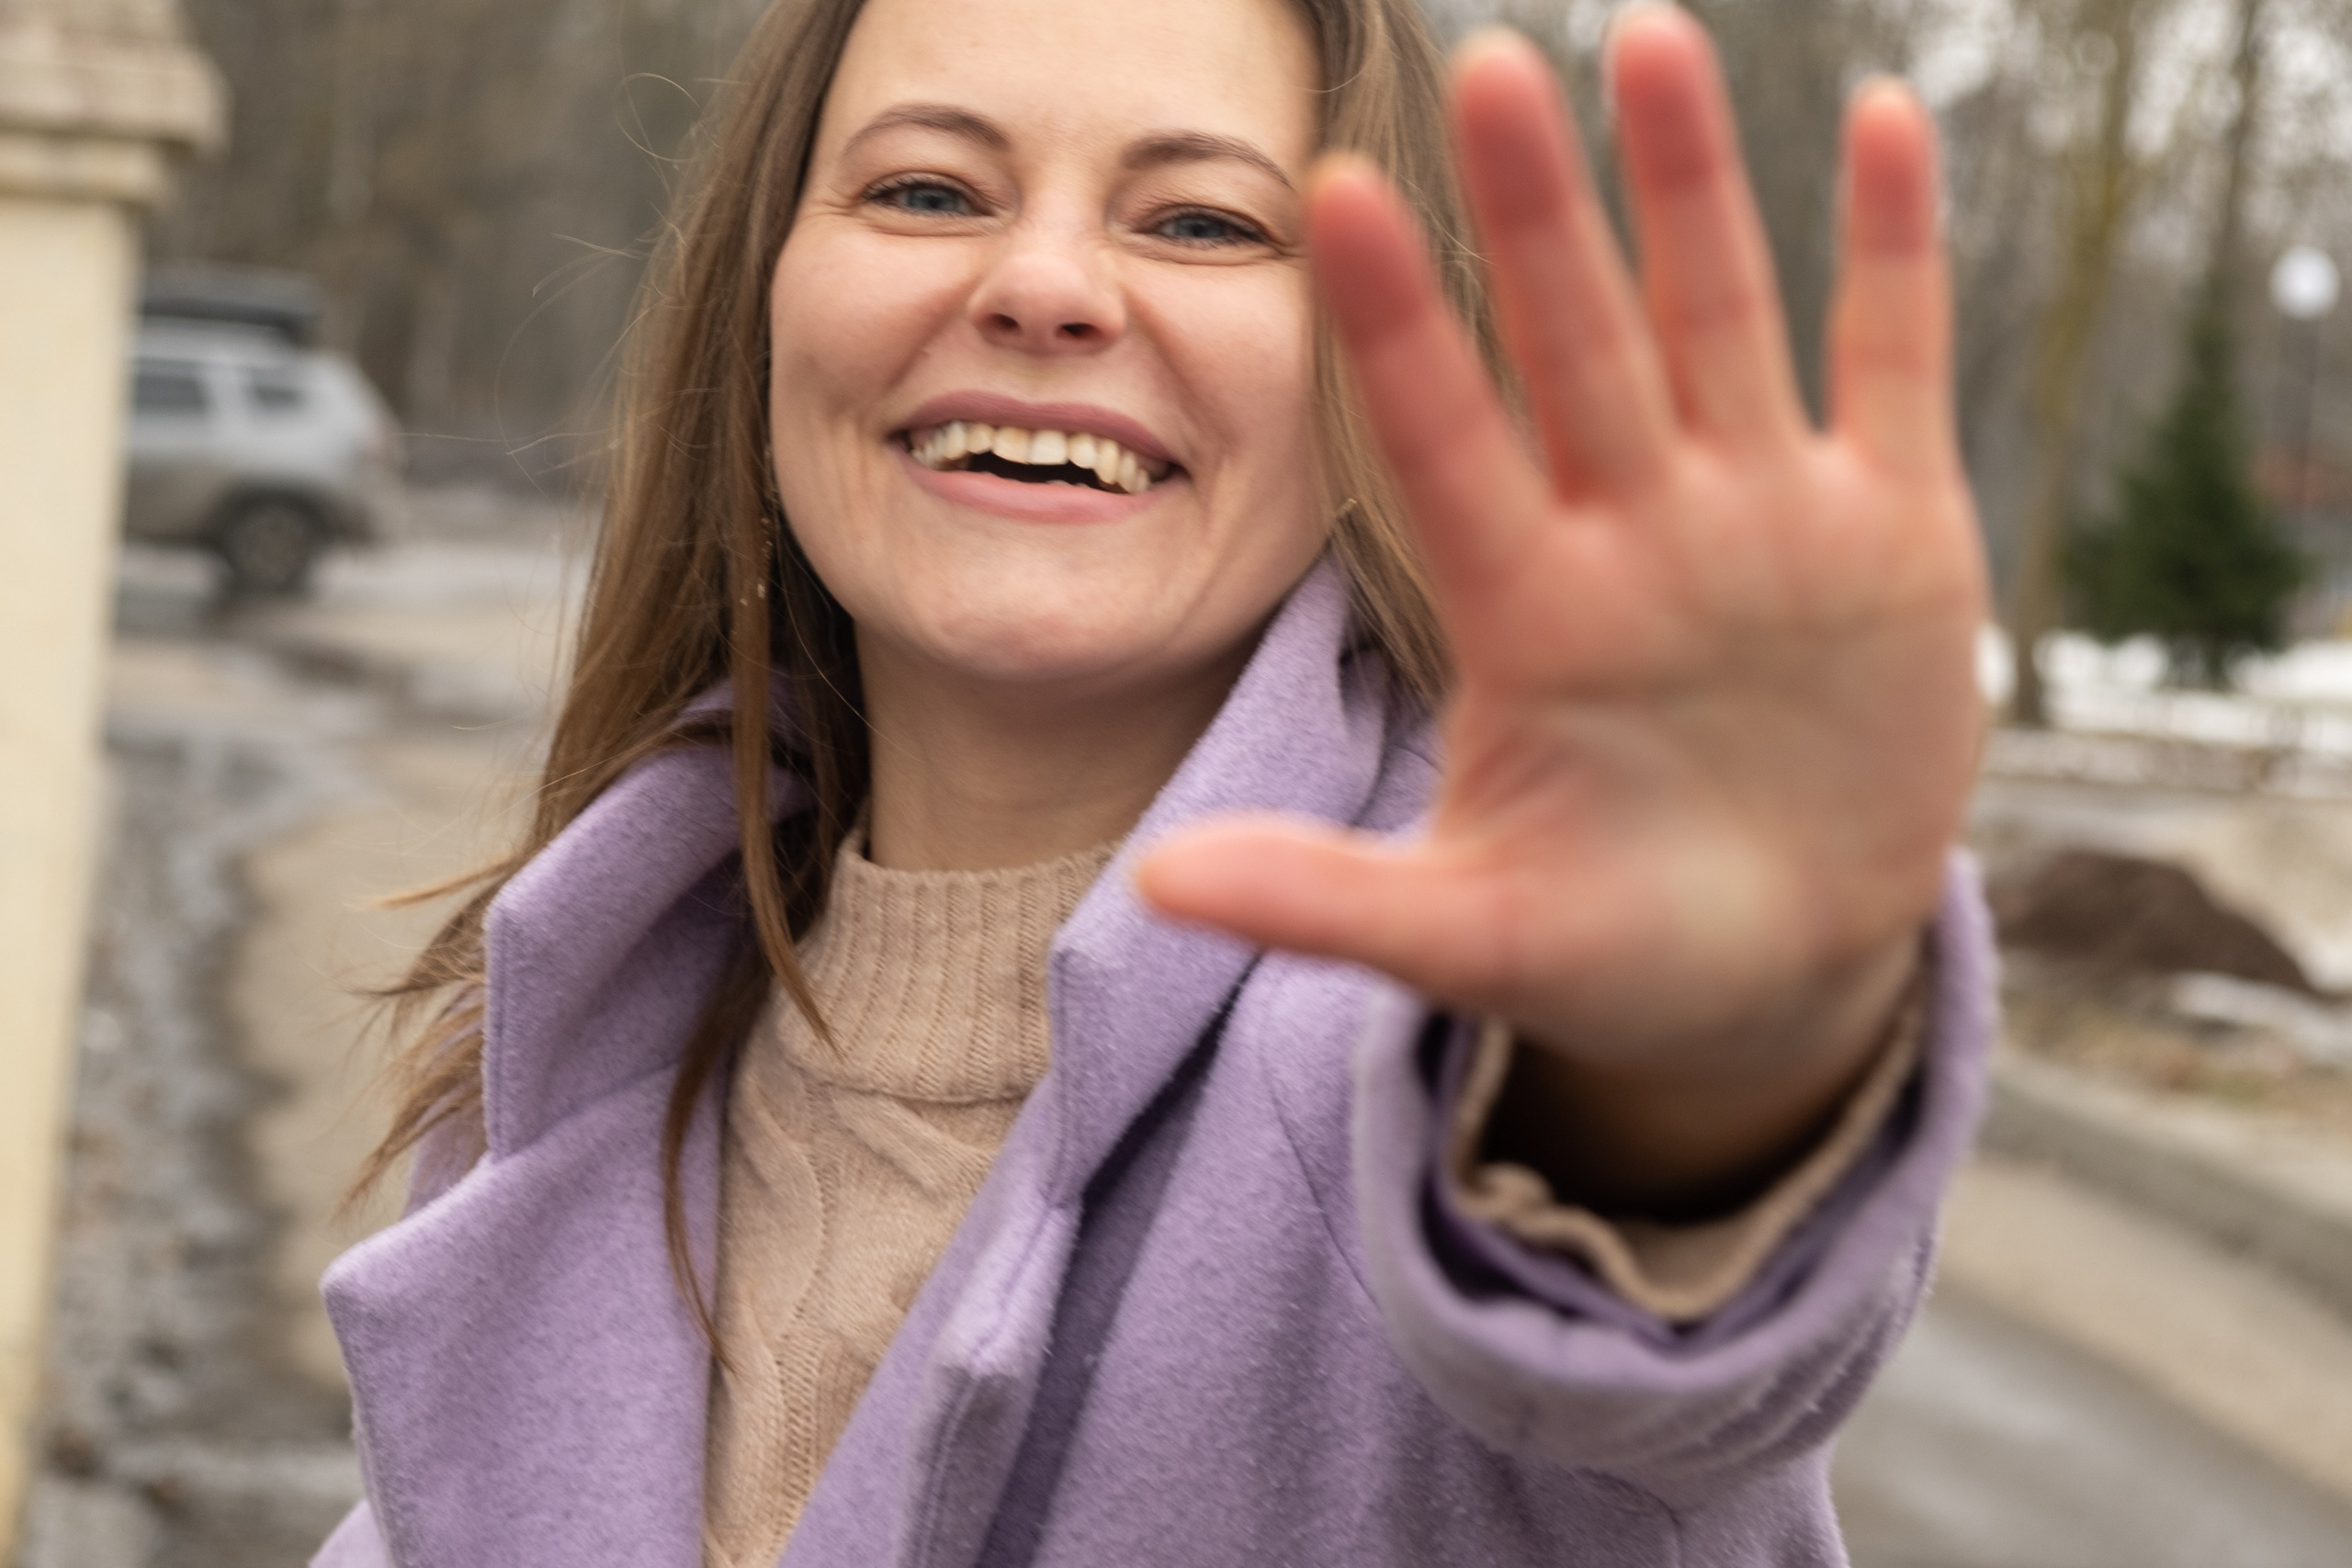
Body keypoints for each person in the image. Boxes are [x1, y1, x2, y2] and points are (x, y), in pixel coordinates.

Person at [314, 0, 1991, 1562]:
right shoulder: (580, 1032)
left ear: (1372, 380)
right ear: (765, 294)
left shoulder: (1418, 1048)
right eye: (925, 190)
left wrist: (1695, 1057)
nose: (1045, 284)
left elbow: (1639, 1298)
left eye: (1200, 221)